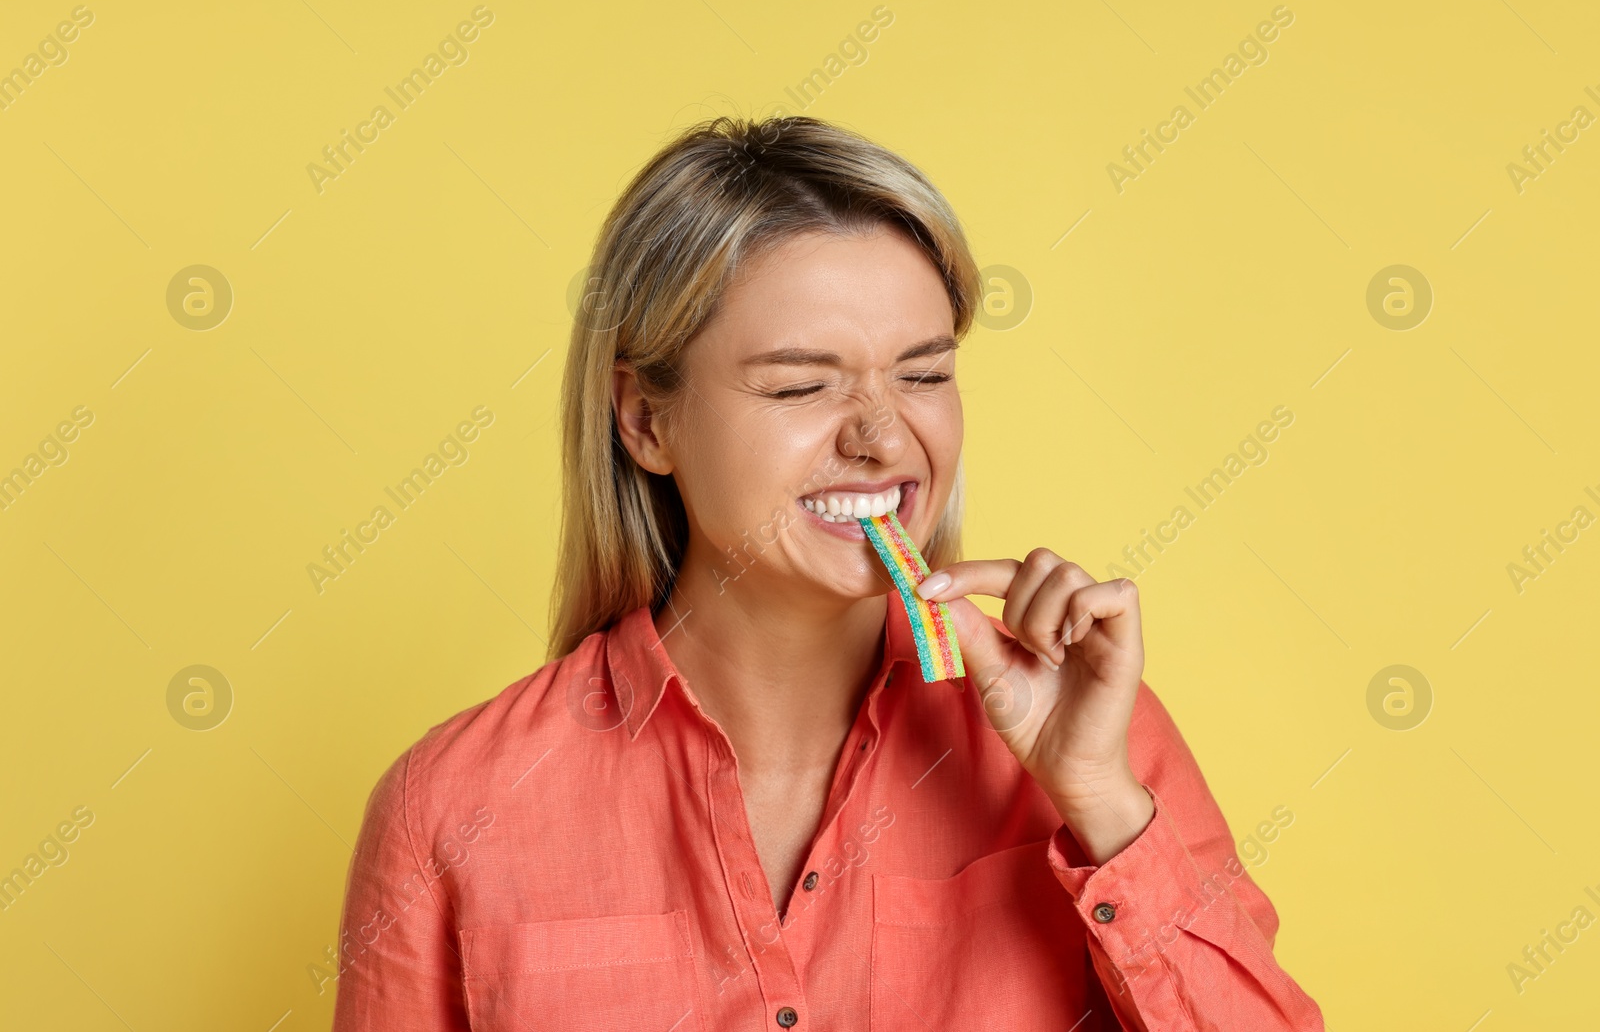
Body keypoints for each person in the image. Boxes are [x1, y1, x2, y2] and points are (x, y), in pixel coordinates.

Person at [330, 115, 1325, 1031]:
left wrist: (1101, 800)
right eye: (802, 383)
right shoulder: (450, 807)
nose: (883, 434)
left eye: (924, 373)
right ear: (644, 419)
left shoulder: (1096, 740)